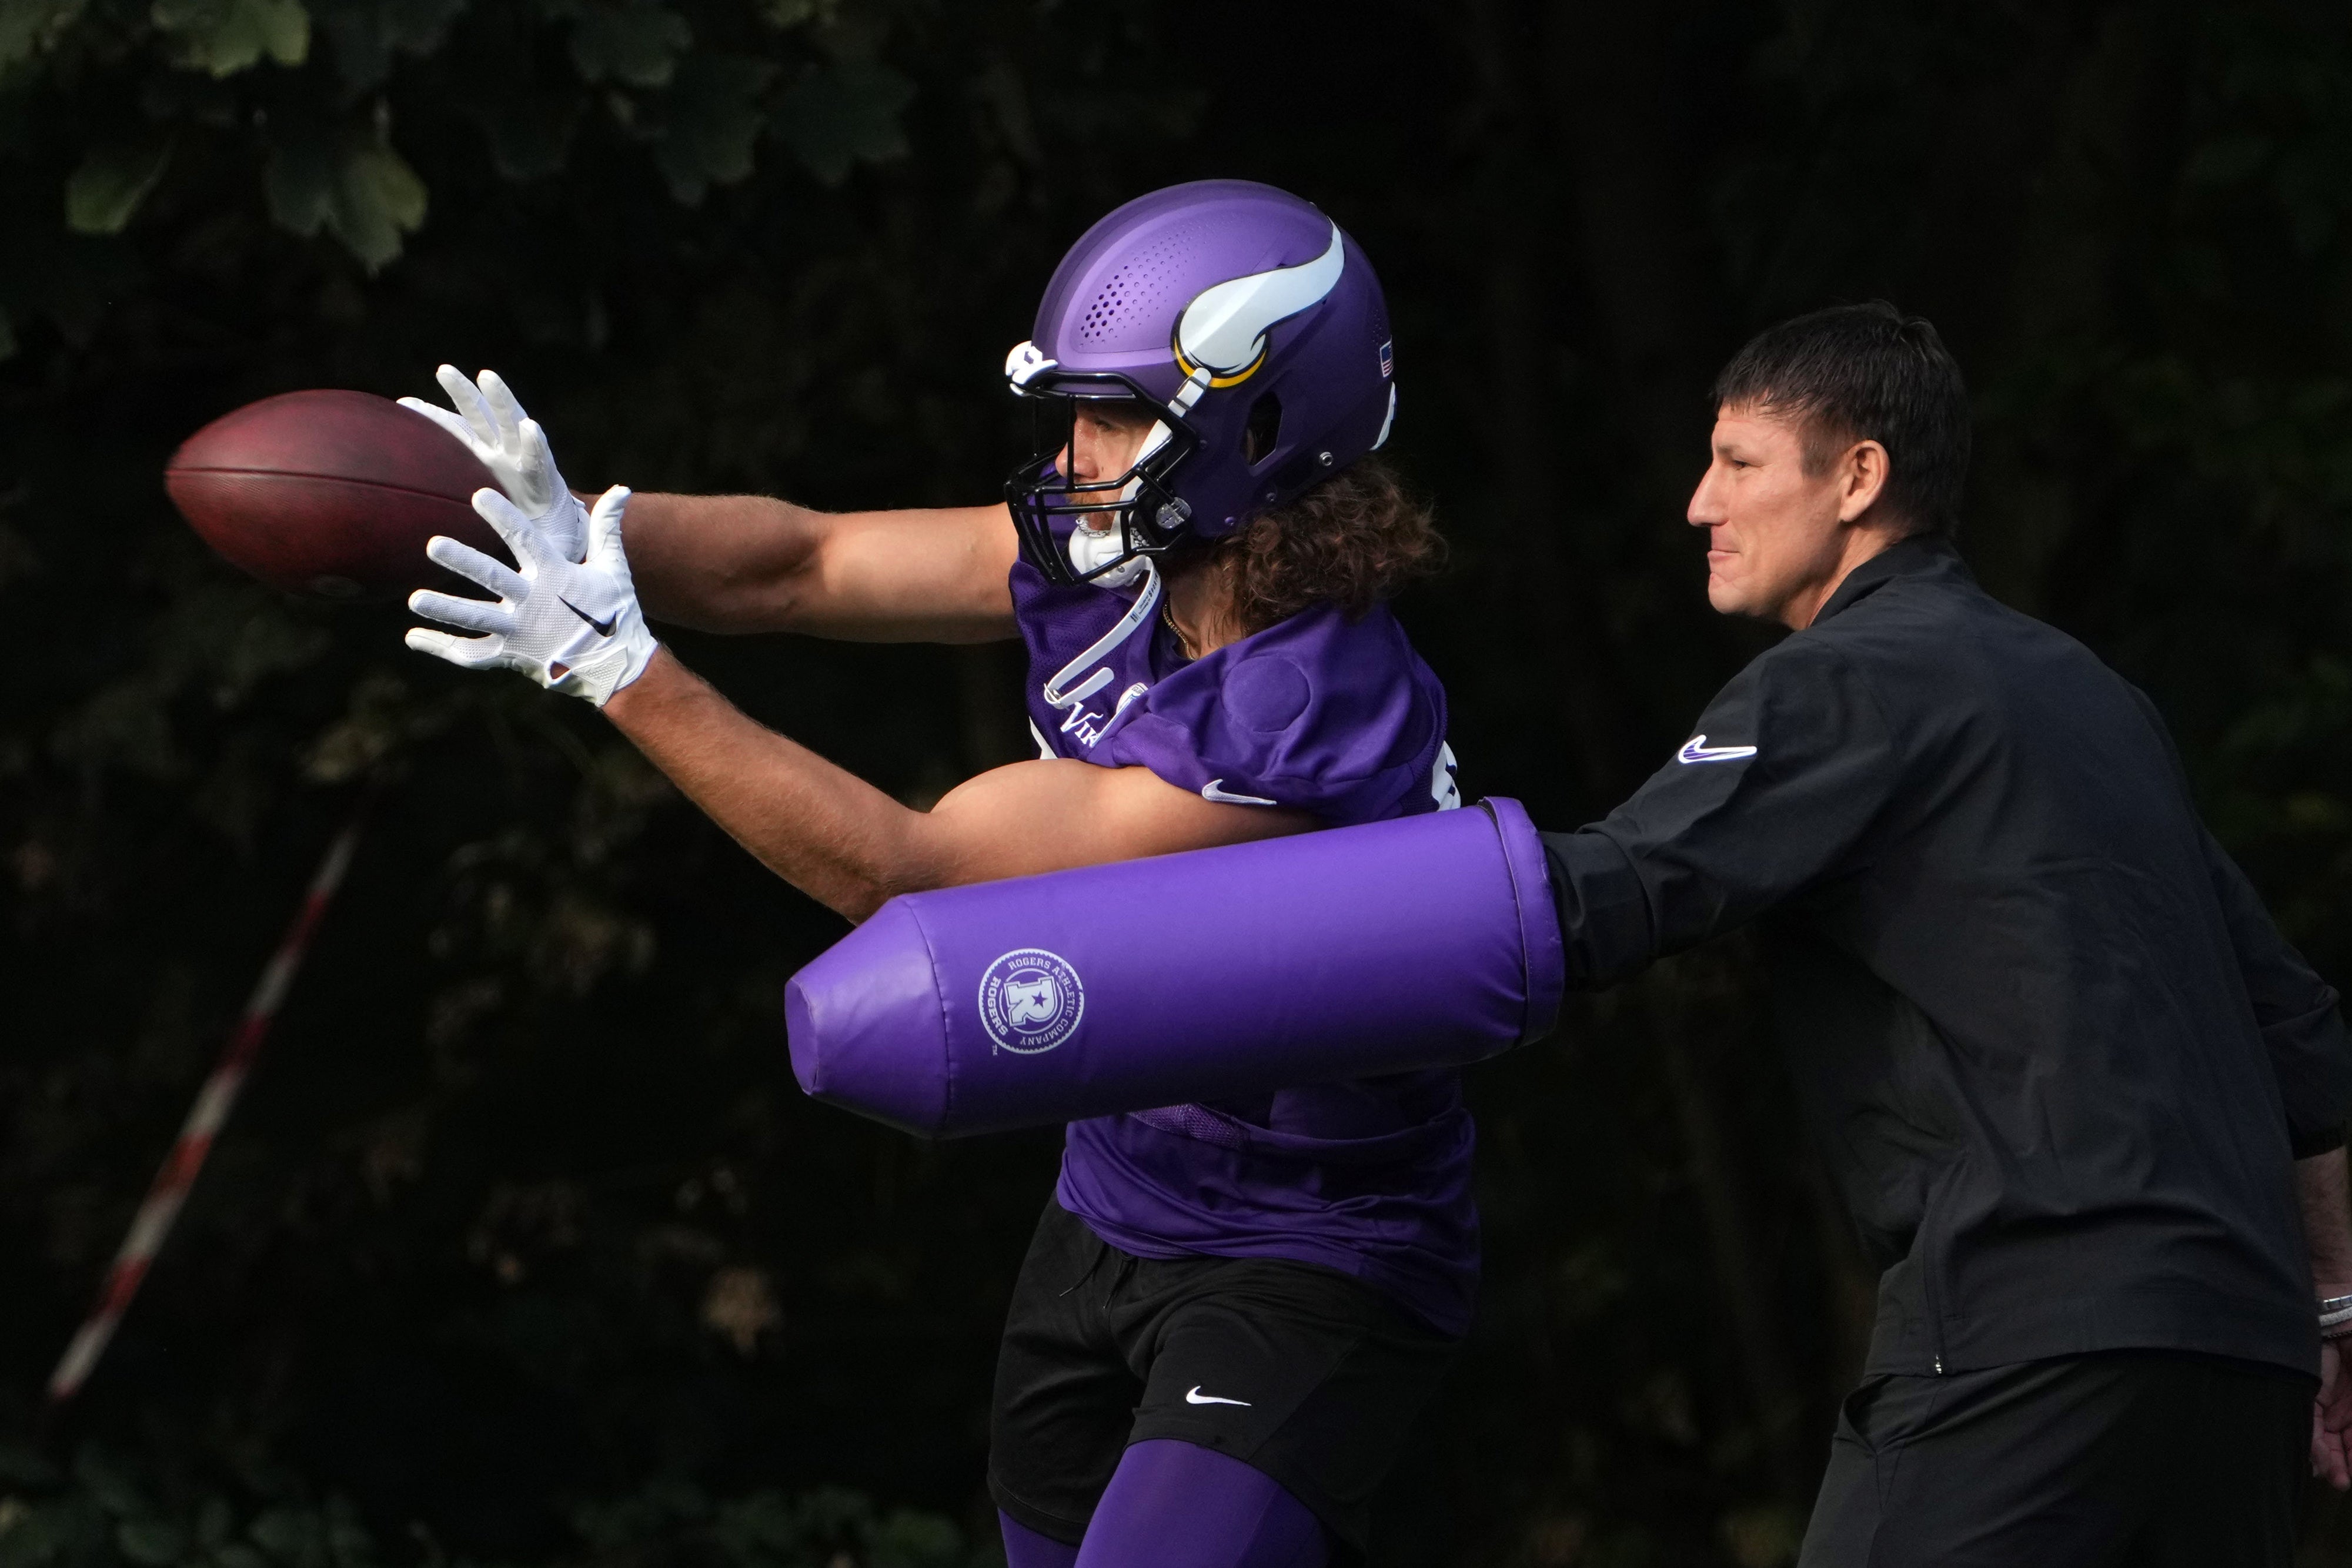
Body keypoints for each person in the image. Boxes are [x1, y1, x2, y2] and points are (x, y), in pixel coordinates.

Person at [397, 180, 1468, 1568]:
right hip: (1110, 1197)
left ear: (1259, 428)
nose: (1078, 454)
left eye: (1116, 416)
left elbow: (905, 875)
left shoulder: (1303, 716)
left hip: (1309, 1246)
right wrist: (573, 519)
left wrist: (611, 666)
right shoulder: (1137, 555)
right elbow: (806, 562)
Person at [1531, 302, 2352, 1563]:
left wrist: (1332, 909)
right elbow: (2294, 1022)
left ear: (1856, 475)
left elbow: (1611, 893)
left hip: (2030, 1333)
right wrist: (2334, 1308)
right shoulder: (2092, 695)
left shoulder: (1843, 676)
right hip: (2236, 1355)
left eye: (1737, 463)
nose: (1698, 503)